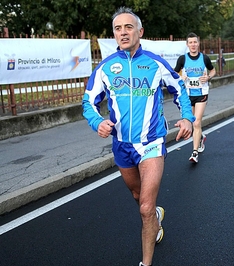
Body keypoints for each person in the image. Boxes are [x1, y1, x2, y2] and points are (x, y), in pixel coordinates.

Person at [82, 7, 195, 266]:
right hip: (122, 145)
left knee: (144, 207)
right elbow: (88, 102)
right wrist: (97, 121)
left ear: (140, 31)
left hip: (152, 143)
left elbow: (180, 89)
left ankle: (145, 261)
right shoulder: (106, 67)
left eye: (128, 27)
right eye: (118, 29)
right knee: (138, 197)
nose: (123, 32)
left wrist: (187, 117)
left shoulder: (155, 63)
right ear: (114, 34)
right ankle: (155, 215)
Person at [174, 32, 216, 163]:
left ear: (198, 43)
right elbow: (174, 73)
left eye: (195, 42)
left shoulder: (204, 58)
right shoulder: (182, 59)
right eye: (190, 42)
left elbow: (213, 70)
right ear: (187, 44)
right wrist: (180, 77)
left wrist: (208, 77)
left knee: (197, 122)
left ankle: (194, 152)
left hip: (201, 93)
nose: (193, 45)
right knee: (192, 123)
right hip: (187, 95)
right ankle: (201, 137)